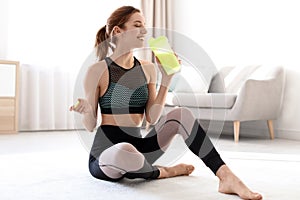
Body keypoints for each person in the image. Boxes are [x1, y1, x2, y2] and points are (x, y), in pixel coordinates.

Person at [70, 6, 262, 200]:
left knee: (181, 114)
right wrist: (86, 110)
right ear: (118, 32)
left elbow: (152, 118)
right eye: (137, 25)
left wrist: (167, 79)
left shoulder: (148, 68)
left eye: (144, 25)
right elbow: (89, 126)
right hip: (108, 153)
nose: (144, 31)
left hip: (141, 148)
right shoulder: (97, 70)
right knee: (124, 151)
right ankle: (164, 172)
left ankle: (225, 176)